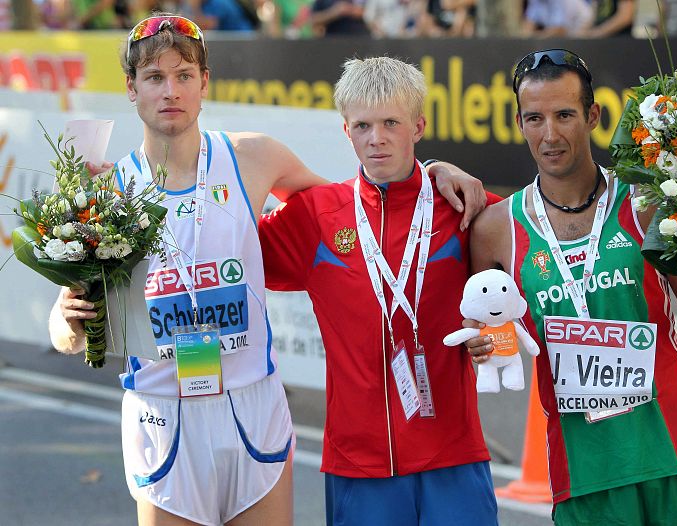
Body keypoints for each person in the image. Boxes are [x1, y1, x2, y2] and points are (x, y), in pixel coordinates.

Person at [48, 14, 484, 526]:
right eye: (154, 78)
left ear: (204, 83)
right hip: (163, 410)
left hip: (250, 403)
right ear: (131, 88)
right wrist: (67, 319)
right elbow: (69, 337)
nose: (171, 91)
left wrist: (432, 173)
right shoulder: (107, 193)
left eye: (184, 76)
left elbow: (359, 208)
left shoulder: (252, 157)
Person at [466, 49, 677, 525]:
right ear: (519, 123)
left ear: (592, 115)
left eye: (564, 115)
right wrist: (481, 345)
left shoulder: (645, 203)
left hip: (672, 450)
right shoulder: (496, 229)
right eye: (535, 118)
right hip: (584, 469)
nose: (550, 134)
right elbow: (478, 328)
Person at [258, 56, 499, 526]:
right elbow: (226, 247)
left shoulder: (463, 206)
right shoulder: (316, 214)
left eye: (391, 122)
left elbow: (528, 277)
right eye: (363, 125)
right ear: (345, 132)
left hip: (453, 452)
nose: (377, 138)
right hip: (359, 463)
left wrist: (498, 335)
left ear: (419, 125)